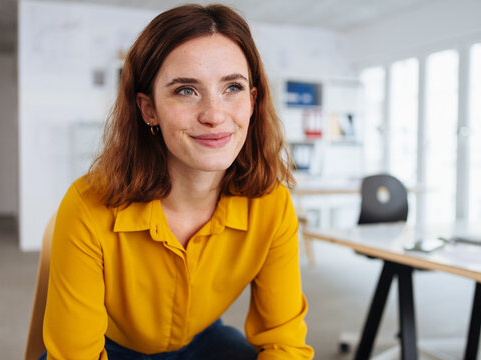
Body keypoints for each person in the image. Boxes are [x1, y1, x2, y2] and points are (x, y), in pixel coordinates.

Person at [41, 4, 313, 360]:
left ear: (252, 101)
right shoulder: (88, 206)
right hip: (107, 346)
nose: (214, 116)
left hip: (201, 341)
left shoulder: (272, 204)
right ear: (148, 108)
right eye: (186, 90)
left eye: (232, 87)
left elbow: (285, 344)